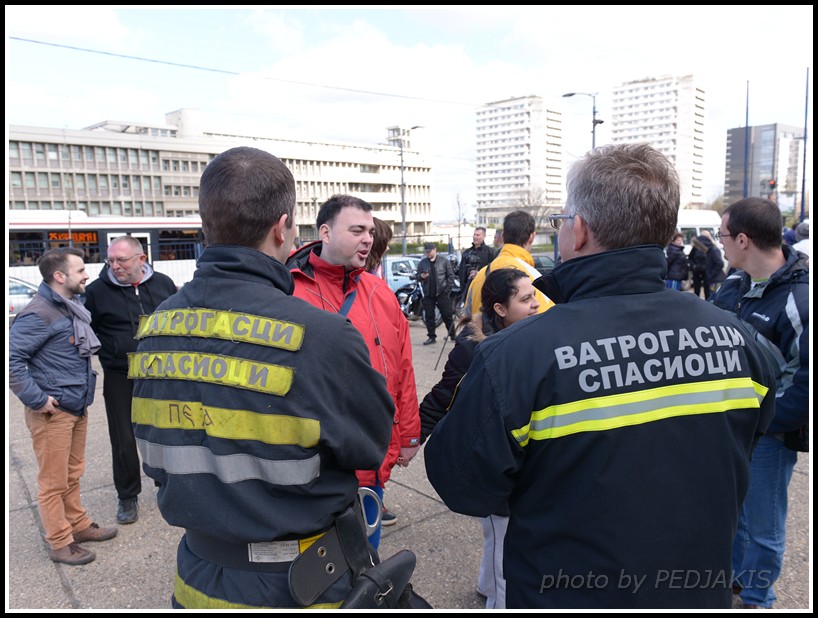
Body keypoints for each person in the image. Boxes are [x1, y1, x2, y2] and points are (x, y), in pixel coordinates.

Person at [424, 143, 776, 609]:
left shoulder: (514, 357)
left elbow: (461, 484)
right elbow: (745, 441)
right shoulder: (741, 341)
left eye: (561, 220)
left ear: (581, 231)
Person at [130, 148, 395, 608]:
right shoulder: (324, 336)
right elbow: (370, 445)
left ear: (207, 225)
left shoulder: (155, 329)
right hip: (305, 587)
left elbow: (155, 452)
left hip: (197, 581)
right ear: (281, 227)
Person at [286, 194, 421, 551]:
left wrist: (409, 435)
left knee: (365, 558)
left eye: (371, 232)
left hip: (369, 461)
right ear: (325, 233)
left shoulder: (380, 293)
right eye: (357, 230)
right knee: (315, 564)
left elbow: (402, 369)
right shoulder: (287, 290)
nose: (368, 239)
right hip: (311, 465)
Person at [420, 268, 541, 609]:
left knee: (499, 536)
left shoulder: (531, 336)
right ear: (500, 309)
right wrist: (411, 440)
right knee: (505, 544)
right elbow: (443, 397)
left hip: (521, 459)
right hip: (494, 462)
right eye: (525, 299)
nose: (535, 304)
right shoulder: (474, 349)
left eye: (534, 296)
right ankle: (497, 599)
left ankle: (487, 585)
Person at [709, 197, 809, 610]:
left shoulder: (801, 300)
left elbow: (805, 385)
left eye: (722, 236)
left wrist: (759, 419)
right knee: (735, 515)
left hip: (767, 434)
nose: (720, 244)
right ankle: (735, 582)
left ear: (743, 239)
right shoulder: (733, 284)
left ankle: (756, 598)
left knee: (765, 526)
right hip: (730, 426)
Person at [9, 248, 118, 566]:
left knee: (72, 473)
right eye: (80, 270)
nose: (87, 275)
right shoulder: (39, 313)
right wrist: (38, 399)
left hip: (75, 406)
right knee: (53, 482)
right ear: (59, 276)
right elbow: (11, 361)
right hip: (52, 413)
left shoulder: (71, 307)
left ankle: (78, 525)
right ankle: (60, 542)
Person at [83, 235, 178, 525]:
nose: (115, 266)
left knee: (164, 431)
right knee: (123, 437)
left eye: (121, 260)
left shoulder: (163, 283)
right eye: (110, 260)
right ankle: (127, 495)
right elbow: (89, 329)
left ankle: (166, 483)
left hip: (160, 373)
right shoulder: (96, 291)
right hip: (120, 375)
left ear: (141, 259)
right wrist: (112, 350)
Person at [465, 210, 555, 318]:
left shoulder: (479, 277)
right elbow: (549, 319)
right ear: (532, 237)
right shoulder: (533, 278)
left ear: (503, 236)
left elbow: (467, 318)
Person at [417, 241, 456, 345]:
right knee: (429, 316)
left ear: (435, 250)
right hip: (428, 293)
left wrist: (447, 290)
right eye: (426, 252)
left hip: (442, 293)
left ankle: (452, 335)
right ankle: (431, 337)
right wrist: (421, 277)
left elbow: (451, 276)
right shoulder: (423, 263)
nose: (428, 254)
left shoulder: (444, 261)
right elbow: (417, 275)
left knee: (447, 315)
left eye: (429, 251)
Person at [458, 226, 494, 300]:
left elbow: (493, 270)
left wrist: (479, 273)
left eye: (477, 235)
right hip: (468, 289)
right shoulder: (466, 253)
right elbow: (461, 273)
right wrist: (463, 290)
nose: (475, 237)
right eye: (474, 235)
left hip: (484, 289)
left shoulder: (491, 252)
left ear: (484, 236)